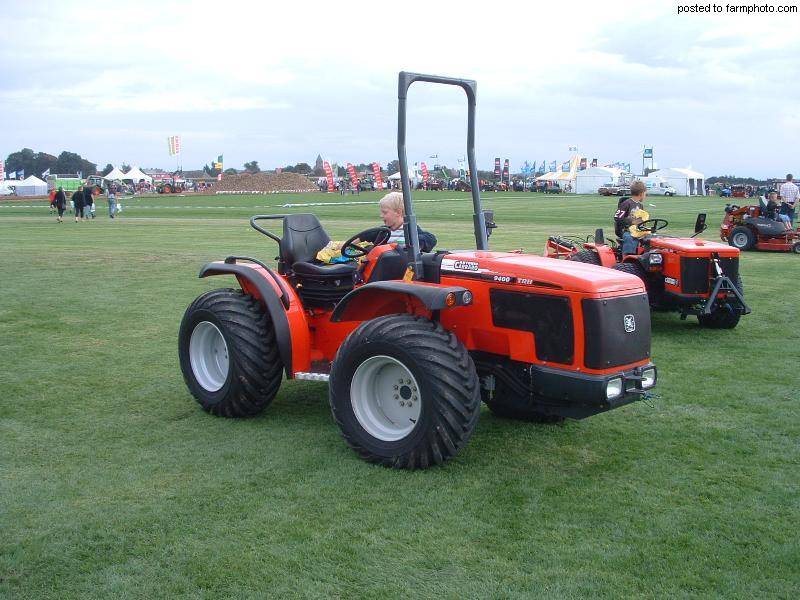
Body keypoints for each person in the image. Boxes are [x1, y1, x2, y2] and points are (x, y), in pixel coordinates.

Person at [614, 180, 649, 255]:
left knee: (651, 237)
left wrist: (644, 226)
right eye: (645, 193)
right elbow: (617, 218)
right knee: (630, 237)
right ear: (641, 193)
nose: (645, 196)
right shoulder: (626, 203)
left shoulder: (640, 205)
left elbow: (642, 219)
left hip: (637, 229)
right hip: (626, 230)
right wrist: (632, 221)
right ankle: (628, 257)